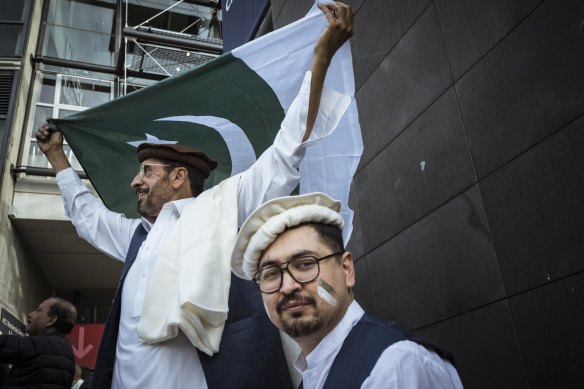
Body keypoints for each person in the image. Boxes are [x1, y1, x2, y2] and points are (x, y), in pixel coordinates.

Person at [34, 2, 354, 388]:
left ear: (179, 177)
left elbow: (285, 151)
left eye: (147, 172)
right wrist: (56, 156)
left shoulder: (224, 210)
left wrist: (320, 58)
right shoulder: (136, 238)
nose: (135, 183)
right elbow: (87, 217)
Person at [231, 193, 465, 388]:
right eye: (271, 274)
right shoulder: (312, 376)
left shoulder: (393, 364)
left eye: (305, 264)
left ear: (346, 270)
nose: (288, 285)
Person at [0, 297, 77, 388]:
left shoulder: (40, 345)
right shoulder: (68, 353)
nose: (30, 314)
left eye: (38, 310)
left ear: (51, 320)